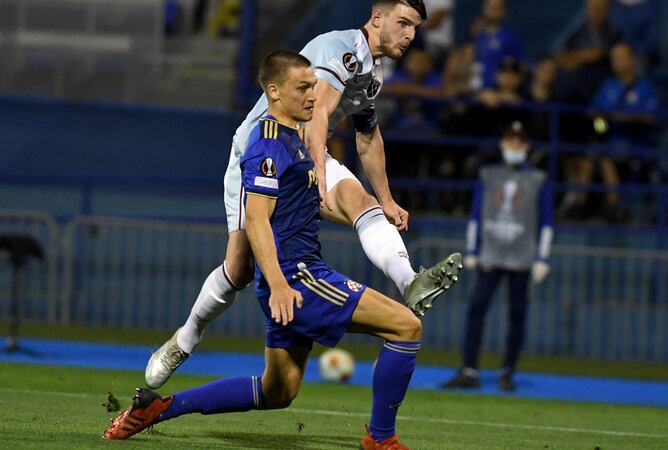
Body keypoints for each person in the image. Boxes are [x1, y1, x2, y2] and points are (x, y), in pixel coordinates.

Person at [104, 50, 431, 450]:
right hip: (298, 279)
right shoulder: (268, 145)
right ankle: (381, 440)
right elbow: (256, 220)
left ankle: (157, 408)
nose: (314, 95)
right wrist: (278, 283)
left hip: (292, 280)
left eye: (313, 85)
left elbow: (306, 207)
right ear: (274, 92)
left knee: (278, 392)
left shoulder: (295, 141)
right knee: (406, 327)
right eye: (303, 88)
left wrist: (373, 214)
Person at [145, 0, 462, 390]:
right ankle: (186, 337)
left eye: (415, 27)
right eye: (403, 23)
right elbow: (321, 116)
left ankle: (409, 281)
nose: (410, 35)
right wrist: (319, 173)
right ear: (377, 17)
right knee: (239, 269)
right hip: (263, 152)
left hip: (304, 155)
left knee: (365, 204)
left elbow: (367, 138)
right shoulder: (342, 50)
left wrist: (387, 198)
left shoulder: (370, 74)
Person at [442, 121, 554, 392]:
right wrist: (471, 250)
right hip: (491, 254)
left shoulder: (538, 179)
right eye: (509, 141)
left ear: (526, 146)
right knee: (477, 309)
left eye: (519, 142)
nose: (514, 147)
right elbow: (476, 214)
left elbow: (546, 221)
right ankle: (469, 369)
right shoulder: (488, 174)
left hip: (523, 257)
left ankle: (507, 371)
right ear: (503, 144)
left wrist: (543, 258)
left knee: (517, 314)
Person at [561, 42, 658, 221]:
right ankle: (579, 203)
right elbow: (594, 112)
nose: (618, 63)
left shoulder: (644, 86)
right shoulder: (608, 85)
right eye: (614, 59)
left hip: (634, 139)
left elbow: (650, 117)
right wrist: (605, 121)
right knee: (590, 153)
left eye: (622, 58)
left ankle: (614, 205)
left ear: (632, 60)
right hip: (608, 136)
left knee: (605, 155)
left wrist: (623, 117)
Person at [554, 0, 622, 103]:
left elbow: (596, 54)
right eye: (593, 8)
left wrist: (575, 57)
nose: (596, 12)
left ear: (607, 11)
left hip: (601, 90)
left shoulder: (613, 33)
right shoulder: (578, 32)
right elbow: (560, 57)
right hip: (576, 90)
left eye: (599, 9)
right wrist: (583, 55)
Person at [472, 0, 524, 91]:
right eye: (489, 6)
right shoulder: (476, 36)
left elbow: (520, 69)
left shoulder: (510, 38)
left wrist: (506, 91)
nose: (492, 10)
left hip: (497, 96)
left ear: (504, 11)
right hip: (474, 93)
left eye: (497, 7)